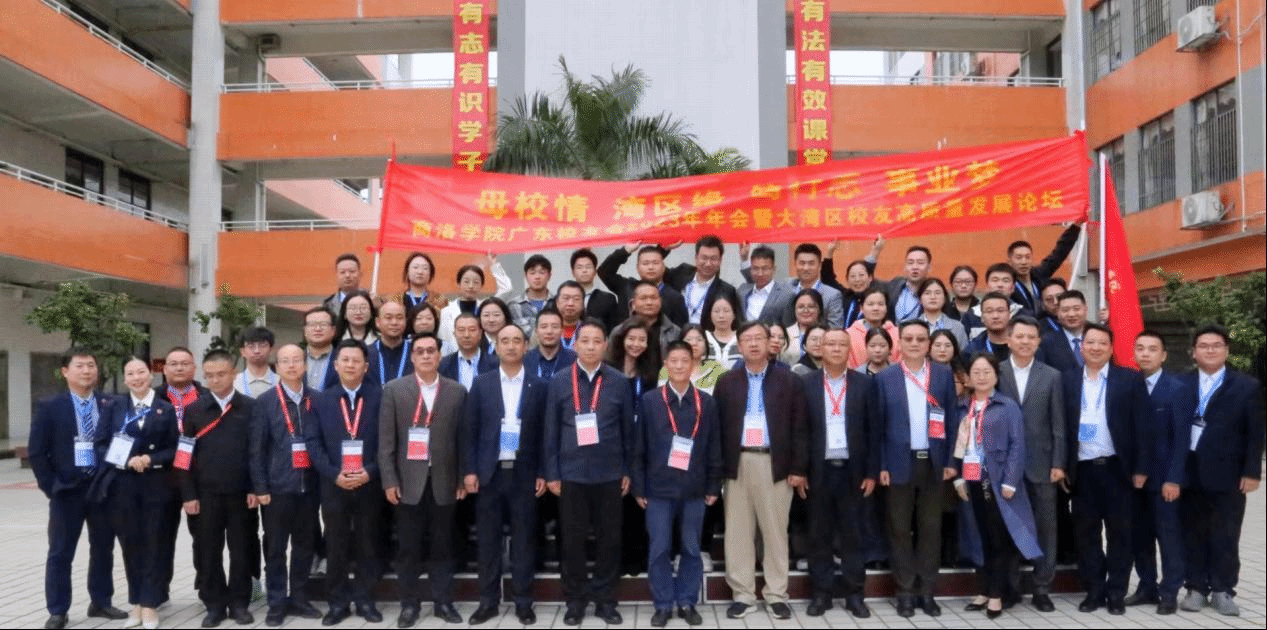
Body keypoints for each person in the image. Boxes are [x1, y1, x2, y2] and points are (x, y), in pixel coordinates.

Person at [542, 319, 636, 626]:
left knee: (610, 540)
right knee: (572, 541)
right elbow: (551, 431)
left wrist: (627, 469)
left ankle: (606, 600)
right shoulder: (559, 380)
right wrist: (552, 472)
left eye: (597, 341)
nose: (592, 347)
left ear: (606, 345)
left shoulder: (619, 381)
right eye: (585, 341)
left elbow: (628, 431)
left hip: (610, 474)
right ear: (575, 344)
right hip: (571, 475)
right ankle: (575, 600)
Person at [716, 322, 808, 620]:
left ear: (770, 343)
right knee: (738, 533)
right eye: (747, 339)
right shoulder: (726, 382)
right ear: (739, 345)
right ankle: (742, 595)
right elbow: (717, 429)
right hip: (738, 463)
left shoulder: (789, 380)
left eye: (759, 338)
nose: (754, 344)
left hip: (775, 464)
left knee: (775, 532)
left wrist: (798, 468)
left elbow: (800, 427)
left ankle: (776, 594)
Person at [1172, 324, 1264, 617]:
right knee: (1192, 532)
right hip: (1189, 472)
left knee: (1226, 533)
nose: (1210, 350)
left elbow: (1255, 433)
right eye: (1203, 345)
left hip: (1229, 474)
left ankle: (1224, 589)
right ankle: (1196, 588)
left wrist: (1252, 472)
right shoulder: (1180, 383)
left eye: (1216, 345)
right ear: (1193, 352)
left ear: (1226, 350)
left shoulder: (1247, 386)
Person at [30, 348, 123, 630]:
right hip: (67, 491)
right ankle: (58, 610)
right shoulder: (50, 406)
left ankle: (101, 601)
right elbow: (37, 452)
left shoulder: (110, 403)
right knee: (60, 552)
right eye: (80, 366)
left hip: (102, 489)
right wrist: (52, 487)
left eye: (91, 365)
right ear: (65, 372)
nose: (86, 371)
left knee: (103, 548)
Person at [1060, 323, 1150, 615]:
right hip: (1082, 471)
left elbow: (1143, 428)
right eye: (1090, 342)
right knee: (1086, 535)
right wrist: (1062, 466)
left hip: (1118, 470)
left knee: (1120, 535)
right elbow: (1060, 427)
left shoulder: (1130, 380)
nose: (1095, 348)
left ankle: (1116, 593)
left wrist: (1141, 469)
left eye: (1102, 343)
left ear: (1111, 349)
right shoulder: (1067, 379)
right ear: (1082, 347)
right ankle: (1094, 590)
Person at [379, 332, 468, 626]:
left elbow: (462, 440)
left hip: (444, 481)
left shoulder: (456, 391)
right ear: (413, 356)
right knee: (408, 549)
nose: (427, 355)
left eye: (432, 350)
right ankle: (409, 605)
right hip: (407, 483)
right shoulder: (394, 390)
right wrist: (389, 480)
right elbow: (386, 442)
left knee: (443, 546)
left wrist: (460, 479)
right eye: (420, 351)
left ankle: (443, 603)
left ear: (440, 356)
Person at [632, 341, 723, 627]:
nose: (680, 366)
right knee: (659, 548)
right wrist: (638, 487)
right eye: (674, 361)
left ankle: (687, 601)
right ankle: (663, 604)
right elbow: (639, 447)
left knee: (691, 548)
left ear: (693, 364)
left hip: (694, 488)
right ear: (666, 365)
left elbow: (714, 447)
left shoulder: (706, 402)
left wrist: (713, 485)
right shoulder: (650, 401)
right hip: (658, 488)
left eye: (685, 360)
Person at [462, 325, 548, 626]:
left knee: (524, 541)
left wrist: (542, 471)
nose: (511, 346)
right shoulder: (481, 384)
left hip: (524, 475)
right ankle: (488, 602)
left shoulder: (539, 385)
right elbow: (469, 431)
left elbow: (545, 435)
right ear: (496, 347)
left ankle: (523, 602)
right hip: (490, 474)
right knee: (488, 542)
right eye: (505, 341)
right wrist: (469, 470)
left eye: (517, 341)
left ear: (526, 346)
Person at [948, 353, 1043, 619]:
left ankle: (997, 595)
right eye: (976, 372)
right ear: (967, 378)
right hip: (972, 480)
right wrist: (958, 478)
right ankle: (984, 589)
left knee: (999, 539)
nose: (981, 377)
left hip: (999, 482)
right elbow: (957, 445)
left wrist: (1011, 481)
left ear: (996, 376)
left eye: (986, 372)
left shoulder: (1006, 406)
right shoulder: (963, 407)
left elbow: (1017, 445)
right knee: (981, 538)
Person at [875, 320, 958, 617]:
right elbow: (878, 426)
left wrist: (951, 461)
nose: (914, 344)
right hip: (898, 463)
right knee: (899, 529)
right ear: (899, 343)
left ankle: (927, 591)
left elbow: (952, 420)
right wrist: (881, 465)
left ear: (928, 344)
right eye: (908, 339)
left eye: (920, 339)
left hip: (934, 463)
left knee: (930, 529)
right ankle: (905, 591)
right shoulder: (885, 377)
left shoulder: (943, 375)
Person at [306, 340, 384, 625]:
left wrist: (371, 471)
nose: (350, 365)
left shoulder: (380, 397)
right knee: (335, 545)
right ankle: (337, 603)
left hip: (369, 483)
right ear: (336, 365)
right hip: (334, 484)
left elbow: (389, 441)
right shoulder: (321, 400)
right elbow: (313, 443)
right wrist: (333, 474)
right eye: (345, 360)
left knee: (367, 543)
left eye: (356, 360)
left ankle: (365, 600)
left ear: (366, 366)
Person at [97, 357, 176, 630]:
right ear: (125, 378)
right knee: (130, 545)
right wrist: (125, 460)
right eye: (130, 373)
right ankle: (136, 602)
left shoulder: (166, 408)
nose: (136, 377)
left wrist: (150, 459)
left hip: (156, 485)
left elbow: (173, 448)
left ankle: (150, 604)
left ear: (151, 375)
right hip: (123, 485)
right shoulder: (114, 406)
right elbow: (100, 444)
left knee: (154, 544)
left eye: (141, 372)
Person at [801, 329, 876, 619]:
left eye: (841, 344)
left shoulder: (865, 384)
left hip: (853, 471)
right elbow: (799, 431)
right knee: (818, 534)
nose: (835, 349)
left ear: (850, 349)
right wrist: (800, 470)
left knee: (853, 535)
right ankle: (821, 593)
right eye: (830, 343)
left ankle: (854, 594)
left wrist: (871, 472)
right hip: (818, 471)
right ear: (820, 348)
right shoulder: (806, 383)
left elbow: (874, 429)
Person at [179, 350, 257, 627]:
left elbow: (257, 452)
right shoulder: (194, 410)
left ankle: (239, 603)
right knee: (208, 551)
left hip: (241, 494)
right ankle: (214, 604)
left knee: (242, 550)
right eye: (209, 375)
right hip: (205, 496)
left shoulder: (250, 407)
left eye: (221, 374)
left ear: (233, 373)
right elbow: (184, 457)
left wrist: (255, 487)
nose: (215, 380)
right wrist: (188, 494)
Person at [247, 344, 323, 626]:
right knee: (275, 549)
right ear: (277, 367)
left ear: (305, 365)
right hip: (277, 489)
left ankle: (300, 598)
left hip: (309, 488)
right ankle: (277, 602)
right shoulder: (265, 402)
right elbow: (256, 449)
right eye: (285, 361)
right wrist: (260, 487)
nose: (291, 365)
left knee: (304, 546)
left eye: (296, 360)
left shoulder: (317, 399)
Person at [995, 315, 1065, 612]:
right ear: (1008, 339)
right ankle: (1009, 588)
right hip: (1004, 465)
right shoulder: (995, 372)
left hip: (1042, 464)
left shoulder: (1052, 376)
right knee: (1008, 527)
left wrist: (1058, 462)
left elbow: (1059, 424)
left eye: (1031, 337)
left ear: (1038, 342)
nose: (1025, 342)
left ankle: (1042, 587)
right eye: (1019, 336)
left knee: (1046, 528)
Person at [1125, 329, 1185, 614]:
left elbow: (1182, 440)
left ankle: (1170, 591)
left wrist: (1174, 478)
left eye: (1152, 349)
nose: (1145, 354)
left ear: (1163, 355)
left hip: (1164, 480)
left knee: (1169, 537)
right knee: (1140, 537)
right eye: (1140, 348)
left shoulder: (1176, 388)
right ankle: (1146, 586)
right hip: (1134, 480)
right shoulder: (1129, 385)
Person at [155, 347, 207, 604]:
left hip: (199, 477)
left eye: (184, 363)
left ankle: (205, 586)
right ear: (164, 369)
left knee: (204, 535)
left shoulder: (207, 397)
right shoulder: (152, 398)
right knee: (161, 536)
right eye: (173, 364)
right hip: (163, 477)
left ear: (194, 368)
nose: (178, 368)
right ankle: (159, 588)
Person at [599, 243, 690, 326]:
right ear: (637, 268)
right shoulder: (626, 287)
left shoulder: (675, 297)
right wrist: (625, 251)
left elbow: (680, 330)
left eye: (655, 263)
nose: (650, 267)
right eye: (645, 263)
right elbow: (604, 272)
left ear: (663, 267)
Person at [661, 235, 741, 325]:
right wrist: (663, 250)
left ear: (720, 260)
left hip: (705, 333)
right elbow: (656, 271)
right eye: (704, 258)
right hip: (676, 332)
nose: (708, 264)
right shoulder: (682, 272)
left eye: (713, 259)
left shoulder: (727, 291)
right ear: (696, 258)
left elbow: (735, 323)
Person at [437, 257, 514, 346]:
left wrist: (494, 265)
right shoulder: (446, 311)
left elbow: (507, 289)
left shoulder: (486, 306)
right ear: (458, 284)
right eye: (466, 282)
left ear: (481, 285)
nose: (471, 286)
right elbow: (444, 340)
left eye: (476, 282)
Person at [1006, 224, 1082, 314]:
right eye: (1019, 258)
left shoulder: (1038, 275)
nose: (1024, 262)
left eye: (1027, 257)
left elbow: (1059, 253)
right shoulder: (1006, 283)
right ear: (1009, 261)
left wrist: (1075, 227)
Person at [781, 243, 845, 327]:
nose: (806, 268)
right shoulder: (785, 289)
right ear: (795, 264)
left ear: (819, 265)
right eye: (802, 263)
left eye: (811, 263)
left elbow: (835, 329)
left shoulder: (832, 295)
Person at [613, 280, 683, 356]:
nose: (649, 302)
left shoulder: (675, 332)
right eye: (643, 298)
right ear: (633, 304)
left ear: (661, 301)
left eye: (653, 298)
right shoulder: (619, 331)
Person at [608, 317, 659, 418]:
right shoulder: (609, 367)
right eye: (631, 339)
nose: (636, 344)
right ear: (622, 339)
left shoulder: (652, 371)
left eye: (642, 340)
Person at [438, 313, 499, 391]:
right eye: (461, 330)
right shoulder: (443, 364)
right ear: (454, 334)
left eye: (472, 330)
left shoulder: (495, 363)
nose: (466, 335)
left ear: (480, 334)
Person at [737, 245, 795, 325]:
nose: (760, 274)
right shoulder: (742, 292)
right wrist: (744, 258)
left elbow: (789, 326)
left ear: (773, 269)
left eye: (765, 269)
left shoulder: (786, 296)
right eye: (756, 268)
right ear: (751, 269)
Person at [845, 288, 900, 371]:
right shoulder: (849, 335)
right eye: (870, 304)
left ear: (886, 307)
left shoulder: (898, 334)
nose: (875, 308)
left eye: (880, 304)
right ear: (861, 308)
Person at [962, 264, 1025, 337]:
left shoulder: (1023, 314)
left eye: (1006, 281)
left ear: (1013, 287)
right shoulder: (971, 315)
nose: (1000, 285)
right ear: (987, 285)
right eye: (995, 280)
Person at [569, 248, 622, 331]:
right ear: (573, 272)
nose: (584, 270)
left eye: (588, 267)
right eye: (579, 267)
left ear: (594, 271)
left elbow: (613, 330)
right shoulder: (565, 299)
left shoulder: (608, 299)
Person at [665, 325, 727, 394]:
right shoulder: (667, 369)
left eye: (699, 340)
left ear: (706, 344)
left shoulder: (717, 370)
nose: (694, 343)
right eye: (688, 339)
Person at [1040, 289, 1090, 373]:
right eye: (1065, 310)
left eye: (1076, 309)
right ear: (1057, 312)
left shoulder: (1100, 337)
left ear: (1085, 309)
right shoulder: (1046, 343)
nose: (1071, 314)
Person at [883, 245, 932, 323]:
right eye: (910, 263)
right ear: (905, 267)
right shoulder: (894, 285)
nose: (915, 267)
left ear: (929, 267)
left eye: (920, 263)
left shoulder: (935, 292)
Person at [507, 254, 554, 334]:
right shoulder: (513, 305)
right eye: (532, 273)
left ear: (549, 276)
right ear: (525, 275)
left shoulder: (557, 303)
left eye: (542, 272)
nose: (537, 277)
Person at [368, 300, 411, 386]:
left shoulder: (415, 352)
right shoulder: (367, 353)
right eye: (388, 318)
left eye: (399, 318)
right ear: (377, 322)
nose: (394, 322)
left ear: (406, 321)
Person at [917, 278, 968, 349]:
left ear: (944, 298)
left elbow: (963, 354)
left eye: (937, 293)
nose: (933, 297)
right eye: (927, 293)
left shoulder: (957, 327)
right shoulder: (910, 327)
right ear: (920, 299)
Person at [964, 292, 1014, 362]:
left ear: (1010, 315)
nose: (995, 316)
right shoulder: (972, 351)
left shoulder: (1023, 343)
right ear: (982, 317)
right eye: (989, 311)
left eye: (1000, 310)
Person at [782, 288, 826, 364]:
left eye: (811, 306)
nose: (806, 310)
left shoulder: (829, 334)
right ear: (794, 310)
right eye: (801, 307)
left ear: (819, 309)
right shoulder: (784, 335)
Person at [701, 290, 742, 366]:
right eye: (716, 311)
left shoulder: (742, 339)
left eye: (726, 311)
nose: (721, 316)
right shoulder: (702, 339)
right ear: (710, 315)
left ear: (734, 314)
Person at [303, 307, 339, 391]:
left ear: (333, 330)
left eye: (323, 324)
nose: (317, 329)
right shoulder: (295, 358)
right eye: (312, 324)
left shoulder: (343, 359)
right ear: (305, 330)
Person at [236, 327, 279, 397]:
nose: (257, 351)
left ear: (271, 350)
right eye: (251, 346)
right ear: (242, 351)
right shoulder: (233, 383)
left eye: (262, 346)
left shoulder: (281, 382)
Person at [322, 253, 362, 322]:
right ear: (337, 276)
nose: (347, 275)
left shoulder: (371, 300)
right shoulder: (328, 305)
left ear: (360, 274)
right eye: (342, 272)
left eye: (352, 271)